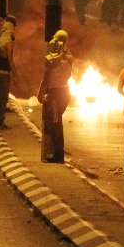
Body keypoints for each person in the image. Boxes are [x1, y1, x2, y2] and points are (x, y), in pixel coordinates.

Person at [38, 30, 73, 163]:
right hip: (65, 92)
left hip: (54, 94)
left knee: (55, 123)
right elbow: (69, 75)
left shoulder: (50, 59)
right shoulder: (70, 57)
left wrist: (40, 94)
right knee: (56, 121)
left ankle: (58, 155)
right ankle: (55, 152)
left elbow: (46, 79)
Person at [0, 16, 17, 129]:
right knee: (3, 98)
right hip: (4, 74)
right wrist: (16, 77)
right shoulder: (8, 42)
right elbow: (10, 62)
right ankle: (0, 123)